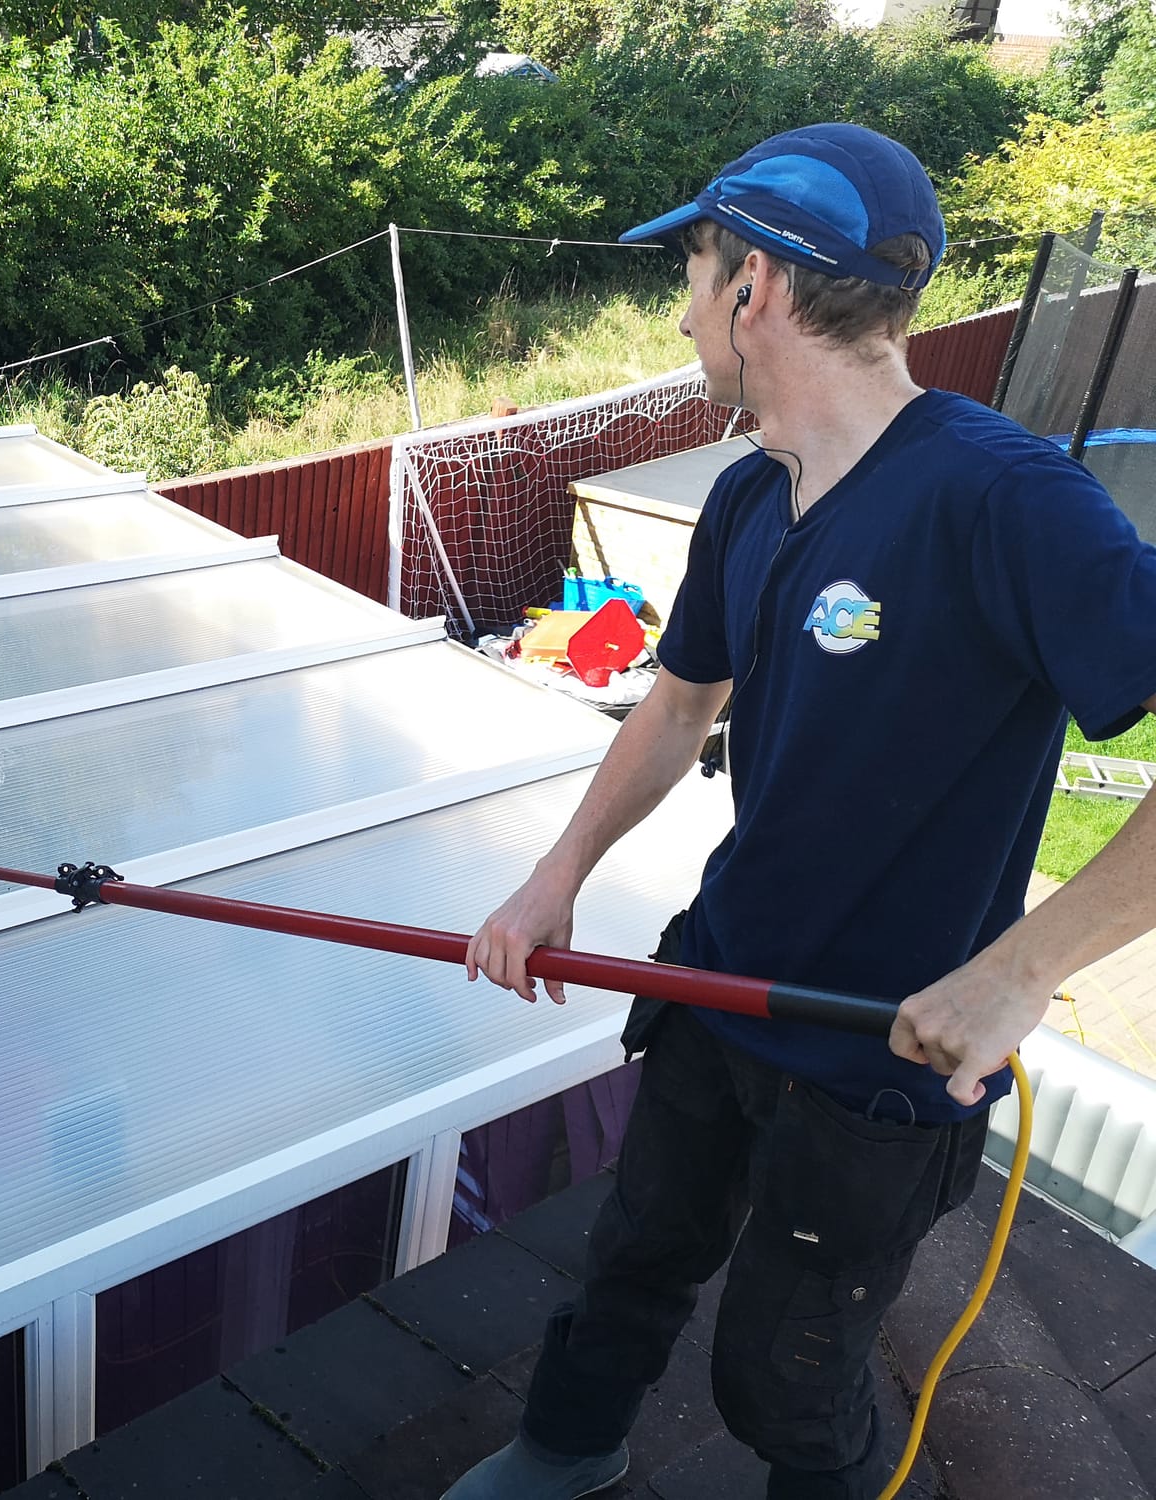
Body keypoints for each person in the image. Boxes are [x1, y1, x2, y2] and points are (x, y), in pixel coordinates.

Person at [441, 122, 1156, 1500]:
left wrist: (1019, 975)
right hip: (723, 979)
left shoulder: (1004, 501)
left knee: (786, 1370)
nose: (687, 304)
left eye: (695, 270)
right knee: (636, 1251)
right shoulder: (748, 500)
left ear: (754, 286)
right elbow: (675, 703)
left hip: (880, 1059)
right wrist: (555, 877)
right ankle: (566, 1452)